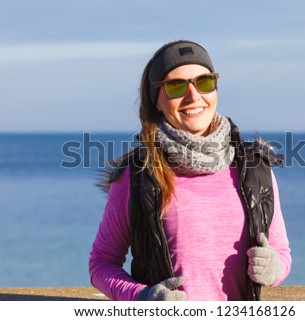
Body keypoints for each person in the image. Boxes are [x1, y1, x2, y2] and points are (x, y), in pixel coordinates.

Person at [89, 40, 291, 301]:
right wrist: (142, 297)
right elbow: (101, 263)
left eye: (204, 82)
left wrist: (273, 269)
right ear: (157, 101)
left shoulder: (255, 169)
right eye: (176, 86)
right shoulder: (136, 176)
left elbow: (282, 253)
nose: (194, 96)